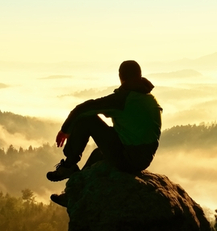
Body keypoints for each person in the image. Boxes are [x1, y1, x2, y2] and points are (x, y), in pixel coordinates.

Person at [46, 60, 162, 206]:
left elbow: (84, 109)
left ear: (121, 77)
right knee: (98, 154)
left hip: (129, 156)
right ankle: (72, 194)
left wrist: (65, 130)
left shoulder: (123, 98)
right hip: (143, 157)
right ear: (139, 76)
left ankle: (68, 166)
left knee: (87, 120)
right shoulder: (148, 98)